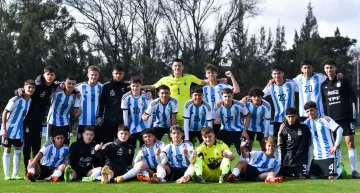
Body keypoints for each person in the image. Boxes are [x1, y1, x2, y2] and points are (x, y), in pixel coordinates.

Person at [142, 59, 226, 126]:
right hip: (172, 112)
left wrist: (218, 80)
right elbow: (153, 86)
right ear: (172, 67)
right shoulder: (165, 79)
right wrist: (141, 87)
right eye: (175, 66)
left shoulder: (189, 77)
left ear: (182, 67)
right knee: (172, 135)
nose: (177, 67)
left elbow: (203, 81)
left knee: (188, 136)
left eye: (179, 66)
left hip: (187, 110)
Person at [322, 59, 360, 178]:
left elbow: (353, 98)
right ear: (324, 69)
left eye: (331, 67)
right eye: (327, 68)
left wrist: (354, 116)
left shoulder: (343, 81)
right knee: (335, 146)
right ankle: (338, 170)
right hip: (332, 121)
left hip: (346, 118)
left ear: (335, 68)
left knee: (350, 143)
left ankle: (354, 171)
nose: (329, 70)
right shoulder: (323, 85)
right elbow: (323, 102)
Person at [20, 66, 61, 175]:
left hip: (39, 121)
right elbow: (22, 90)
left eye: (52, 75)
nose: (50, 77)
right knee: (27, 145)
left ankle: (34, 170)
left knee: (37, 146)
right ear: (44, 75)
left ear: (54, 76)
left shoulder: (53, 86)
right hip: (28, 120)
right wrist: (18, 91)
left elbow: (66, 84)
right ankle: (26, 170)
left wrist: (75, 92)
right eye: (48, 74)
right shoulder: (36, 86)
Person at [2, 79, 35, 180]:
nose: (31, 89)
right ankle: (7, 174)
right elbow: (4, 112)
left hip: (19, 130)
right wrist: (4, 128)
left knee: (18, 150)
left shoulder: (30, 100)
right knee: (7, 150)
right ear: (24, 88)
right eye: (29, 87)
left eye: (33, 88)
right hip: (8, 129)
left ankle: (15, 174)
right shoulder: (16, 99)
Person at [303, 101, 345, 180]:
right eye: (307, 111)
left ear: (316, 109)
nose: (310, 113)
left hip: (329, 154)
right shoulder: (307, 122)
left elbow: (340, 129)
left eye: (311, 110)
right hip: (316, 157)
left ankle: (340, 169)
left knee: (331, 177)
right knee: (312, 177)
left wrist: (336, 145)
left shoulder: (325, 119)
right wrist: (284, 124)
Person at [202, 64, 240, 135]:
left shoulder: (222, 86)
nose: (211, 74)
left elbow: (236, 90)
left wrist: (231, 77)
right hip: (207, 119)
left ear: (216, 74)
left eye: (213, 73)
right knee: (209, 140)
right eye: (209, 73)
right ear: (206, 75)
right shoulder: (203, 88)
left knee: (220, 141)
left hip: (221, 118)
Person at [96, 64, 130, 144]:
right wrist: (99, 116)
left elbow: (138, 89)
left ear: (123, 74)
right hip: (108, 120)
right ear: (112, 73)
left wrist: (148, 91)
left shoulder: (127, 86)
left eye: (120, 74)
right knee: (107, 144)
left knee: (122, 145)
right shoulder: (106, 86)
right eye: (116, 73)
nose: (118, 76)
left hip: (122, 121)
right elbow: (101, 103)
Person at [261, 65, 298, 137]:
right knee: (277, 141)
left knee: (293, 140)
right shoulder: (270, 87)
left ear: (283, 74)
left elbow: (303, 91)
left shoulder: (291, 84)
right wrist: (267, 85)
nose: (277, 75)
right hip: (278, 119)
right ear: (272, 75)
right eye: (274, 74)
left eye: (279, 73)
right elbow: (261, 95)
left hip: (291, 118)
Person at [213, 88, 251, 154]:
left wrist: (244, 131)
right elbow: (212, 120)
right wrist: (215, 122)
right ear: (222, 97)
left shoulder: (239, 105)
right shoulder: (218, 107)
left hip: (239, 131)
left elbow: (248, 115)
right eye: (225, 96)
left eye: (229, 96)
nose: (227, 98)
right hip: (224, 131)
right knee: (218, 152)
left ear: (232, 96)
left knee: (245, 152)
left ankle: (246, 163)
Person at [47, 76, 81, 146]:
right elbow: (51, 85)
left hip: (65, 123)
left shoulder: (76, 97)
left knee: (65, 145)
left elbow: (75, 114)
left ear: (75, 85)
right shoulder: (57, 92)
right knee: (49, 145)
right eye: (69, 83)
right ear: (65, 83)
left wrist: (78, 114)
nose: (71, 85)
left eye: (73, 84)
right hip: (52, 122)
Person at [278, 107, 311, 179]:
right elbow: (281, 145)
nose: (290, 119)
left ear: (296, 116)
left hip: (301, 160)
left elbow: (309, 141)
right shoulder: (283, 128)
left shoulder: (304, 127)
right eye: (289, 117)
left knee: (302, 177)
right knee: (280, 177)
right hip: (287, 159)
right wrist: (281, 162)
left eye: (293, 117)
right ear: (286, 116)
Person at [121, 76, 152, 147]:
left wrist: (148, 128)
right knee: (130, 150)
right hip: (131, 127)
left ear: (141, 86)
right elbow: (125, 114)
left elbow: (149, 114)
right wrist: (126, 128)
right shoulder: (125, 97)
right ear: (130, 86)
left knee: (145, 149)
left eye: (137, 86)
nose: (135, 88)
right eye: (133, 86)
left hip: (144, 127)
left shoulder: (147, 97)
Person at [76, 66, 103, 142]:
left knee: (96, 146)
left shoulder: (102, 87)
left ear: (98, 76)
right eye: (92, 74)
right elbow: (68, 88)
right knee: (80, 145)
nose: (94, 77)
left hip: (97, 122)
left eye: (96, 75)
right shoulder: (79, 87)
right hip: (83, 122)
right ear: (88, 75)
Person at [245, 86, 271, 151]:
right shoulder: (245, 103)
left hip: (261, 129)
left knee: (265, 148)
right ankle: (247, 161)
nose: (256, 98)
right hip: (249, 128)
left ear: (262, 96)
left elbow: (267, 121)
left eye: (258, 96)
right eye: (254, 96)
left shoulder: (267, 106)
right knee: (247, 148)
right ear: (251, 96)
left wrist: (266, 135)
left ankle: (266, 160)